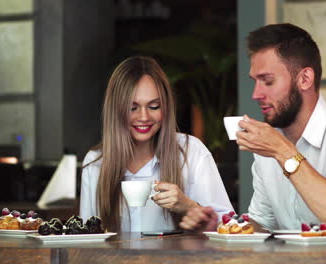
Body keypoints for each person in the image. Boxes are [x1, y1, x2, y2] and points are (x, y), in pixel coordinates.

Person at [180, 23, 326, 232]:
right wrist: (219, 227)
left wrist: (283, 152)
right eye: (255, 82)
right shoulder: (270, 144)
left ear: (304, 79)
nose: (256, 94)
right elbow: (263, 226)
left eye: (267, 81)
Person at [80, 56, 233, 232]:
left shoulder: (191, 151)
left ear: (165, 107)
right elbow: (86, 237)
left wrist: (190, 206)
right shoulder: (95, 163)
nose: (144, 117)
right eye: (132, 108)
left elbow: (230, 227)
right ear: (116, 110)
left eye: (153, 107)